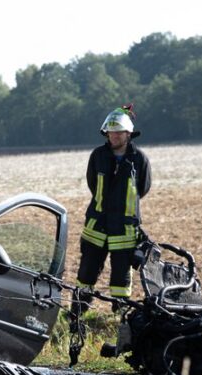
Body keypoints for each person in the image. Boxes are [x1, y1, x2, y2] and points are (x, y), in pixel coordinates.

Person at [74, 104, 151, 313]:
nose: (113, 136)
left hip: (124, 229)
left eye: (118, 132)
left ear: (128, 134)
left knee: (121, 279)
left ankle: (119, 317)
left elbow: (142, 189)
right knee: (86, 274)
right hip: (96, 225)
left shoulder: (139, 159)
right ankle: (77, 316)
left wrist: (120, 207)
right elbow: (92, 184)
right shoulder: (98, 156)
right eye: (110, 132)